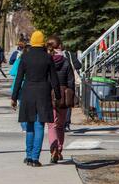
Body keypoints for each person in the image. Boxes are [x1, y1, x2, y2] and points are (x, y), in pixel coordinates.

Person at [11, 31, 61, 167]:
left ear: (32, 41)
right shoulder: (47, 58)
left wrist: (14, 97)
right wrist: (58, 95)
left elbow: (19, 78)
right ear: (42, 41)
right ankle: (34, 158)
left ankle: (28, 155)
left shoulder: (25, 57)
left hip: (27, 93)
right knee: (39, 125)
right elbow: (54, 79)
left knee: (30, 126)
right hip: (43, 93)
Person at [46, 36, 75, 163]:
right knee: (60, 125)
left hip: (49, 94)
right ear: (60, 47)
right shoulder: (66, 61)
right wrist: (71, 94)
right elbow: (71, 81)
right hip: (63, 95)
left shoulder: (47, 61)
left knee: (51, 125)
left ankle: (53, 149)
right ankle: (59, 148)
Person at [10, 44, 31, 132]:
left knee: (22, 106)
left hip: (18, 85)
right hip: (29, 85)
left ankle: (24, 126)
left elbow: (12, 72)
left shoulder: (19, 60)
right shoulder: (32, 61)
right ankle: (28, 125)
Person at [63, 47, 82, 132]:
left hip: (56, 82)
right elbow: (78, 65)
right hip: (68, 81)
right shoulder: (69, 54)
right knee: (68, 102)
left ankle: (58, 123)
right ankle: (66, 124)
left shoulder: (51, 54)